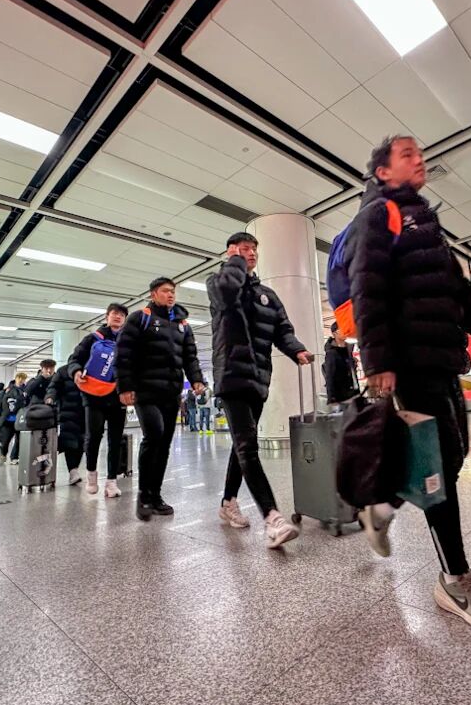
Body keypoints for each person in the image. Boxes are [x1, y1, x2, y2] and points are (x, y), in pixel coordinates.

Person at [346, 135, 471, 636]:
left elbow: (458, 289)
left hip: (443, 357)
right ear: (382, 172)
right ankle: (455, 579)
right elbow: (367, 288)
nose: (419, 159)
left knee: (454, 456)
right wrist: (378, 360)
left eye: (420, 153)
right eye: (407, 154)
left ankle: (382, 507)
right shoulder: (378, 214)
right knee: (440, 466)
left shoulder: (422, 218)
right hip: (409, 359)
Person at [208, 232, 313, 548]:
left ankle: (228, 503)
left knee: (243, 444)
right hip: (231, 376)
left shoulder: (267, 294)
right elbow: (227, 292)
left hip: (258, 379)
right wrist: (235, 262)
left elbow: (282, 329)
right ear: (231, 252)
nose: (252, 253)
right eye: (245, 249)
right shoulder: (219, 283)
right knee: (248, 447)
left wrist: (296, 349)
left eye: (254, 249)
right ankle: (273, 519)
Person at [116, 278, 204, 521]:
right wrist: (125, 386)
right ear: (153, 294)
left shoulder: (182, 324)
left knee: (164, 443)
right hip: (145, 391)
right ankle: (144, 495)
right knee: (154, 435)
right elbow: (123, 353)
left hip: (171, 392)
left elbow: (190, 356)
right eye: (165, 291)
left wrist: (196, 379)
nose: (171, 295)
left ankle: (155, 495)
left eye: (173, 291)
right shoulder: (139, 318)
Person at [67, 303, 129, 498]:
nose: (118, 317)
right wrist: (76, 371)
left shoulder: (128, 341)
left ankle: (111, 482)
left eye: (121, 315)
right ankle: (91, 474)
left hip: (118, 396)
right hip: (93, 396)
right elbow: (74, 359)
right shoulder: (93, 338)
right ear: (106, 316)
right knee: (93, 436)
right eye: (114, 314)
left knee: (116, 440)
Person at [45, 363, 85, 486]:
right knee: (70, 443)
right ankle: (73, 471)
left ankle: (75, 469)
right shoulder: (63, 371)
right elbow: (53, 387)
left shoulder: (89, 368)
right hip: (67, 412)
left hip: (86, 412)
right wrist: (50, 397)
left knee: (82, 443)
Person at [0, 372, 27, 465]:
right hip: (7, 420)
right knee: (5, 440)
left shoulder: (26, 391)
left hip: (20, 420)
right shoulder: (6, 391)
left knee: (19, 440)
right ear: (16, 378)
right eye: (19, 378)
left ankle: (14, 457)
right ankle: (3, 453)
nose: (21, 380)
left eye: (23, 379)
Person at [323, 321, 360, 405]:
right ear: (335, 333)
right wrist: (332, 398)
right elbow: (330, 376)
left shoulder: (348, 350)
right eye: (341, 329)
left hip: (354, 392)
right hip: (342, 397)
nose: (345, 331)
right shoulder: (332, 353)